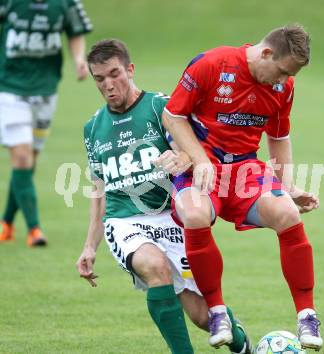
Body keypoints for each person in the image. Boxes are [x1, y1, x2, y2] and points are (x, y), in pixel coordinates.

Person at [76, 39, 252, 354]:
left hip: (172, 218)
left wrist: (181, 158)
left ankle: (242, 344)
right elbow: (99, 189)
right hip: (125, 222)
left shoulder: (162, 108)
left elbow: (197, 151)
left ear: (130, 70)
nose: (108, 84)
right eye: (99, 78)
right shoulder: (92, 128)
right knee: (154, 267)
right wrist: (90, 246)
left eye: (114, 74)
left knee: (202, 316)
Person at [162, 24, 323, 350]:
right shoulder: (211, 64)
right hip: (198, 166)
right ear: (266, 53)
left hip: (244, 168)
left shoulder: (284, 87)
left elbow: (278, 137)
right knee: (194, 214)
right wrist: (200, 159)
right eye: (280, 71)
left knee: (288, 213)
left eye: (288, 76)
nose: (282, 81)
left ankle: (307, 315)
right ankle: (218, 311)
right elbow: (173, 115)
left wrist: (287, 188)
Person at [0, 0, 92, 246]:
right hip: (9, 89)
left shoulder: (66, 3)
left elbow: (75, 31)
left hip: (46, 91)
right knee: (21, 157)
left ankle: (6, 223)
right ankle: (35, 230)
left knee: (29, 160)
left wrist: (79, 59)